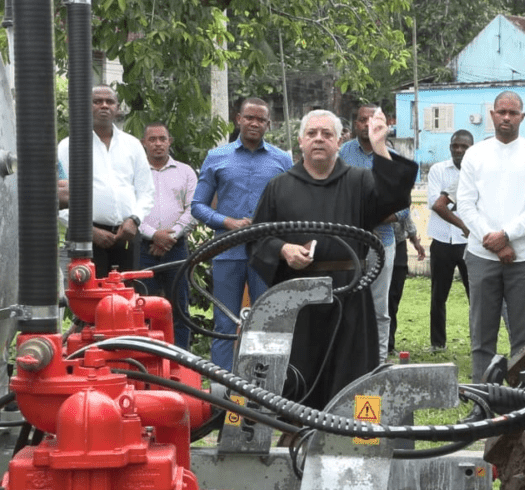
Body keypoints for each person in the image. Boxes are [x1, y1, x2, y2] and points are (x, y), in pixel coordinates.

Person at [248, 109, 417, 408]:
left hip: (349, 295)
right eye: (312, 133)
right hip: (298, 298)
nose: (319, 139)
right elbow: (258, 238)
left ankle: (352, 429)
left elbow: (395, 198)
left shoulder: (360, 181)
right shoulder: (279, 186)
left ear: (339, 141)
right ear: (301, 141)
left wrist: (379, 146)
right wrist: (283, 249)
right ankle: (297, 428)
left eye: (327, 134)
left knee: (352, 372)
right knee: (299, 374)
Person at [456, 91, 525, 383]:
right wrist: (494, 241)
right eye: (501, 112)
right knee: (482, 332)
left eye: (513, 113)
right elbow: (465, 204)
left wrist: (507, 235)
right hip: (482, 255)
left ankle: (521, 398)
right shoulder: (475, 154)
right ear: (492, 114)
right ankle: (482, 396)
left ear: (523, 116)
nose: (506, 117)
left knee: (523, 335)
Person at [192, 97, 293, 372]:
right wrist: (227, 222)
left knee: (266, 323)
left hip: (267, 253)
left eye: (261, 119)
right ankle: (222, 386)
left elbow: (291, 205)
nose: (254, 123)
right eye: (249, 117)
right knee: (224, 323)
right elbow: (198, 206)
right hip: (227, 251)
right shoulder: (217, 157)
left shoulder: (282, 159)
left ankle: (262, 386)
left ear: (268, 124)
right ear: (238, 119)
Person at [57, 85, 155, 277]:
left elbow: (146, 191)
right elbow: (60, 197)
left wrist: (134, 220)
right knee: (89, 292)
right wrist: (88, 231)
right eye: (97, 101)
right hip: (85, 238)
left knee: (126, 291)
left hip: (126, 235)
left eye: (109, 102)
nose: (104, 105)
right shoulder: (69, 146)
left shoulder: (132, 145)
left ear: (117, 108)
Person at [339, 104, 411, 363]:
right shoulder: (342, 154)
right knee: (346, 302)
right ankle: (347, 361)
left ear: (384, 126)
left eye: (373, 121)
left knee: (379, 307)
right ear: (355, 123)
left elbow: (403, 209)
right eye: (362, 120)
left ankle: (378, 362)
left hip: (382, 243)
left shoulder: (392, 158)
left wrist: (370, 218)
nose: (367, 125)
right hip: (347, 243)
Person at [136, 122, 197, 349]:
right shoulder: (135, 173)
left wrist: (169, 237)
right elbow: (128, 209)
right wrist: (153, 235)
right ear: (143, 143)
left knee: (179, 307)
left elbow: (194, 209)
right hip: (143, 249)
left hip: (176, 248)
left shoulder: (185, 172)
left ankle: (181, 360)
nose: (158, 144)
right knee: (142, 307)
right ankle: (147, 358)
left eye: (162, 138)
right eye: (152, 139)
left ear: (169, 141)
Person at [427, 130, 474, 351]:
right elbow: (435, 204)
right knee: (438, 295)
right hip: (442, 240)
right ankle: (438, 343)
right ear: (450, 147)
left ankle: (478, 341)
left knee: (475, 294)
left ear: (471, 149)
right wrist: (462, 221)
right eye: (455, 146)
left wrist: (448, 204)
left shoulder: (476, 171)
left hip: (469, 244)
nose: (459, 150)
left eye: (464, 146)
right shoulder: (438, 170)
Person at [388, 215, 425, 355]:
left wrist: (415, 241)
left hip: (398, 244)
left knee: (393, 298)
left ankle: (389, 344)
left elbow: (405, 216)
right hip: (375, 242)